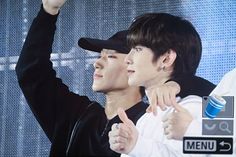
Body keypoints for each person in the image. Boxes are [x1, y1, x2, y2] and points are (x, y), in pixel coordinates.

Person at [15, 0, 215, 156]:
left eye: (110, 56)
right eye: (99, 56)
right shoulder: (81, 117)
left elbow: (224, 133)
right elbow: (31, 72)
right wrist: (48, 11)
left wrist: (180, 87)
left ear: (165, 58)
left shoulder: (178, 111)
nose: (97, 63)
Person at [109, 13, 208, 157]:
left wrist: (136, 145)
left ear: (166, 59)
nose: (127, 59)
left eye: (137, 49)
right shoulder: (145, 120)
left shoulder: (194, 108)